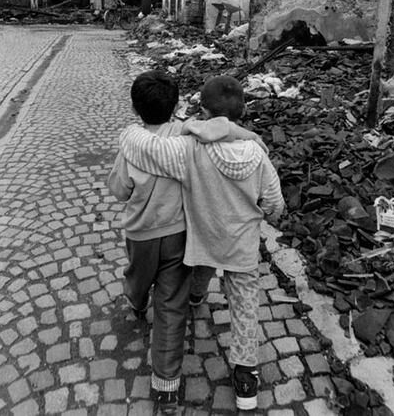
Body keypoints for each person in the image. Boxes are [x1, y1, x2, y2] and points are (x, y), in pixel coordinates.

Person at [118, 75, 285, 411]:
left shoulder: (192, 149)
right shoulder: (257, 153)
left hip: (204, 237)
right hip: (241, 245)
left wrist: (128, 131)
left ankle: (194, 298)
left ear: (205, 113)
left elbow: (149, 149)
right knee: (245, 305)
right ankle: (246, 376)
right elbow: (273, 202)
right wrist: (270, 215)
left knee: (198, 270)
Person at [108, 71, 242, 415]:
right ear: (176, 106)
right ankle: (166, 387)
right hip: (180, 234)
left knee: (137, 279)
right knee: (170, 305)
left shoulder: (132, 145)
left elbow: (120, 190)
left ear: (135, 108)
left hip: (141, 233)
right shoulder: (188, 141)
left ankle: (136, 303)